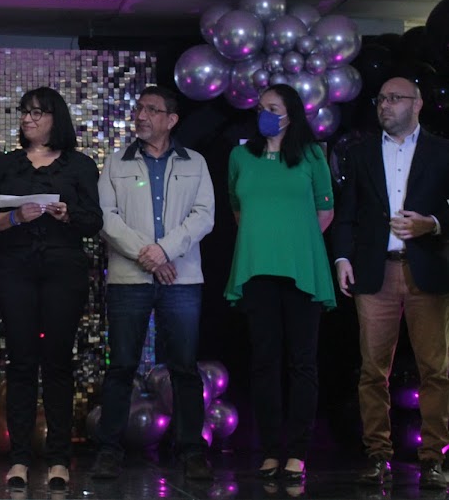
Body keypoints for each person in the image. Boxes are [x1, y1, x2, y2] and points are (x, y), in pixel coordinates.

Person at [0, 87, 102, 491]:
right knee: (21, 363)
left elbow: (93, 222)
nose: (28, 119)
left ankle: (59, 459)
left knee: (58, 363)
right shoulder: (4, 165)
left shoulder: (79, 165)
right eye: (24, 112)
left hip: (64, 271)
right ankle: (19, 459)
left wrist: (67, 214)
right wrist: (15, 217)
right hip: (15, 270)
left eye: (37, 113)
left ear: (55, 119)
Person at [90, 85, 215, 481]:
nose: (141, 116)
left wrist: (165, 250)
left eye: (152, 110)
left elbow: (204, 215)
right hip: (130, 279)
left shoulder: (195, 162)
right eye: (139, 108)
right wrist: (149, 254)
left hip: (182, 278)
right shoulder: (116, 162)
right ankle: (109, 450)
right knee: (121, 366)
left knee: (184, 368)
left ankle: (191, 450)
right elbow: (105, 218)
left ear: (171, 119)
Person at [334, 77, 449, 490]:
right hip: (375, 271)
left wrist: (432, 223)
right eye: (381, 98)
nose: (385, 105)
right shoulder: (361, 153)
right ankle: (377, 456)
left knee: (435, 370)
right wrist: (342, 258)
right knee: (372, 371)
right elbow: (347, 213)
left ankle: (434, 459)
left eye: (395, 98)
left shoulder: (442, 151)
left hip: (427, 271)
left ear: (417, 104)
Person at [224, 83, 335, 482]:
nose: (265, 115)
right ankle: (271, 449)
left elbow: (325, 210)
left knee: (302, 362)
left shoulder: (312, 154)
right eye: (261, 108)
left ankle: (298, 451)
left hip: (301, 270)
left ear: (292, 114)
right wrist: (266, 240)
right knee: (264, 361)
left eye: (273, 108)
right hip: (257, 270)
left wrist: (294, 242)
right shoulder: (241, 155)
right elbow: (238, 208)